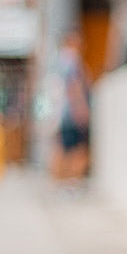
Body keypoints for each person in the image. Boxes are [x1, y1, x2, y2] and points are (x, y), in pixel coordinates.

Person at [50, 30, 92, 183]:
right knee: (77, 148)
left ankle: (59, 182)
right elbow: (74, 86)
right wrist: (81, 108)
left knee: (62, 146)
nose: (83, 44)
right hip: (70, 112)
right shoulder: (71, 59)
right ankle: (72, 181)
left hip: (60, 113)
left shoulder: (59, 59)